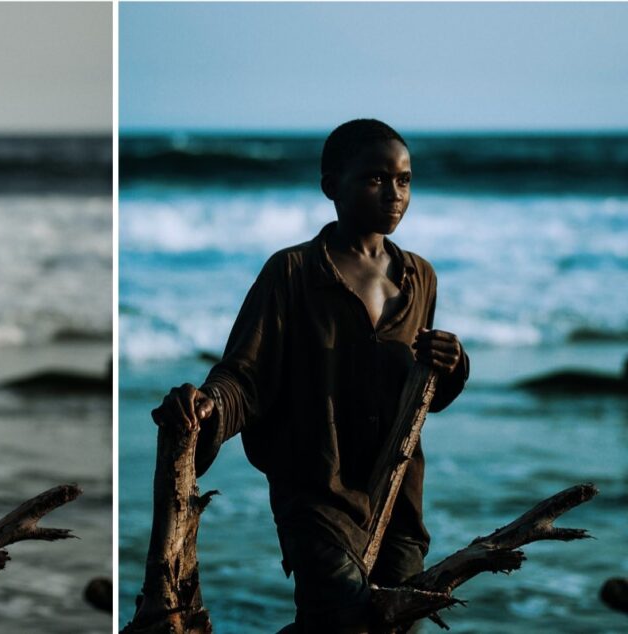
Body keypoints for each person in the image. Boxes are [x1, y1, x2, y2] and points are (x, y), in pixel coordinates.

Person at [151, 119, 469, 633]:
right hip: (317, 494)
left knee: (397, 626)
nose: (394, 194)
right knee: (341, 620)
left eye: (404, 180)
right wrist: (208, 404)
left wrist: (453, 362)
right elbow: (246, 375)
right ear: (331, 186)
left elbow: (424, 392)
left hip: (399, 497)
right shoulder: (293, 272)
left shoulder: (420, 277)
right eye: (375, 179)